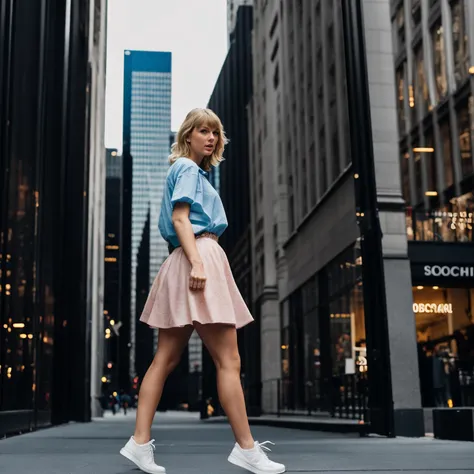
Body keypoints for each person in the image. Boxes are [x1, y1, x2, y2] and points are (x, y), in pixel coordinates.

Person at [120, 108, 286, 474]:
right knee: (228, 361)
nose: (210, 138)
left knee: (165, 359)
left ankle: (139, 442)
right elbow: (181, 218)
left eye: (215, 132)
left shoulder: (188, 170)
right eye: (202, 131)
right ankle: (246, 448)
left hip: (185, 258)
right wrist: (197, 262)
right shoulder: (188, 169)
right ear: (188, 135)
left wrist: (190, 259)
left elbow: (178, 221)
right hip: (198, 258)